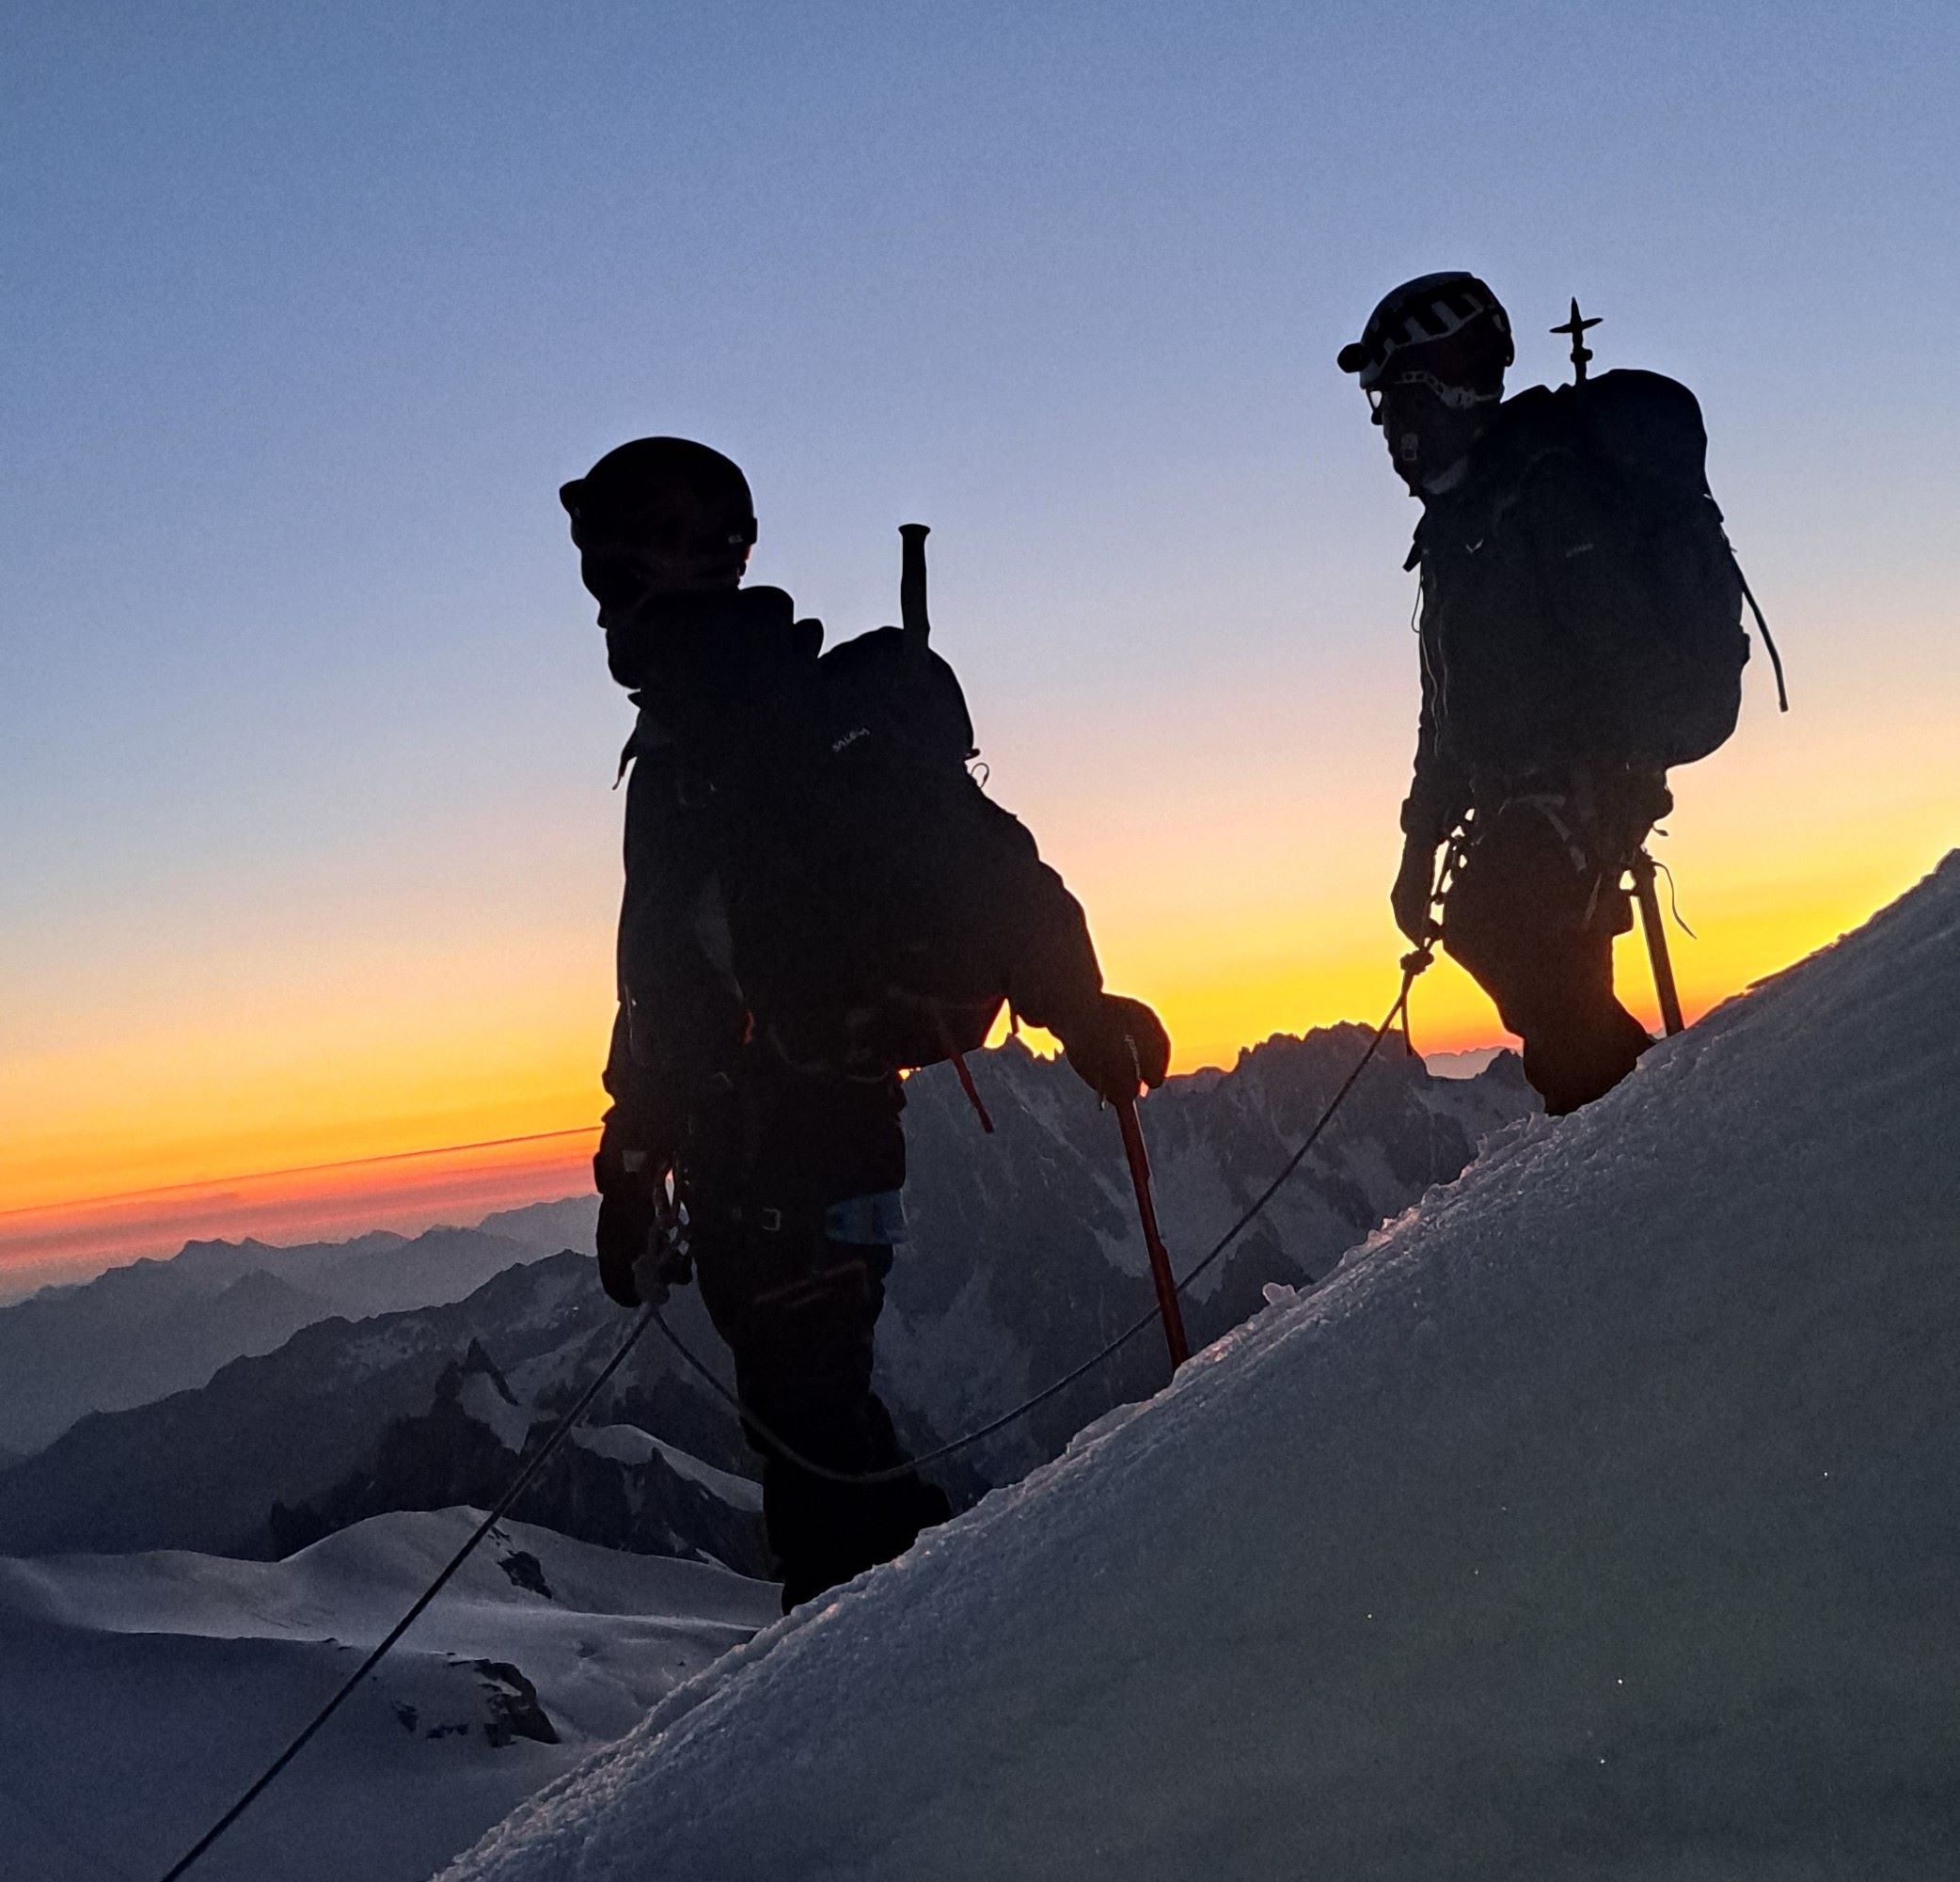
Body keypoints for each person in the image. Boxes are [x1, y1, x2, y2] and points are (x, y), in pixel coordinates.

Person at [561, 436, 1170, 1608]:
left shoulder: (742, 728)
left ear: (679, 564)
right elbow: (670, 982)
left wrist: (632, 1162)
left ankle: (924, 1678)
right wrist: (631, 1161)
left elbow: (664, 989)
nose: (599, 609)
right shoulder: (715, 728)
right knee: (814, 1438)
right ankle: (912, 1661)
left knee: (820, 1469)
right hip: (790, 1157)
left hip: (793, 1164)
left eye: (607, 573)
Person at [1338, 273, 1690, 1115]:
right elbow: (1448, 710)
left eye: (1399, 400)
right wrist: (1420, 842)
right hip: (1533, 808)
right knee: (1535, 983)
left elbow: (1612, 649)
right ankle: (1639, 1133)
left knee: (1526, 966)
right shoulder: (1463, 525)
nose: (1392, 428)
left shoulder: (1540, 489)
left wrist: (1602, 790)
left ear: (1446, 389)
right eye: (1385, 407)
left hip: (1573, 803)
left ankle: (1645, 1140)